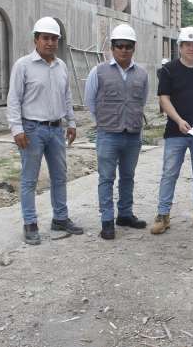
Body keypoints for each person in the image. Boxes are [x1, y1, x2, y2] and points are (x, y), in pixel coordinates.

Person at [7, 16, 83, 245]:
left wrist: (71, 122)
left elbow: (67, 97)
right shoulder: (23, 66)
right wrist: (16, 129)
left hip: (56, 129)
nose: (50, 43)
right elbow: (13, 99)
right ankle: (30, 223)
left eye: (54, 38)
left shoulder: (61, 67)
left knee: (59, 176)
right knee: (29, 179)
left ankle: (60, 218)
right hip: (32, 130)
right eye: (46, 38)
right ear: (36, 39)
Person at [150, 27, 193, 234]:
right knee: (169, 173)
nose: (191, 48)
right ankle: (163, 215)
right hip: (175, 131)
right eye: (187, 45)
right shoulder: (169, 70)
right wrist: (179, 120)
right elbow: (164, 98)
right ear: (180, 47)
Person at [84, 24, 149, 240]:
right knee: (106, 178)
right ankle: (107, 221)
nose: (123, 50)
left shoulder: (142, 74)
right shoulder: (98, 71)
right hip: (108, 135)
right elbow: (90, 101)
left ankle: (125, 214)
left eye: (128, 46)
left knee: (128, 176)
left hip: (133, 135)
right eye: (119, 46)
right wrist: (103, 121)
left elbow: (142, 100)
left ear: (134, 48)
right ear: (112, 47)